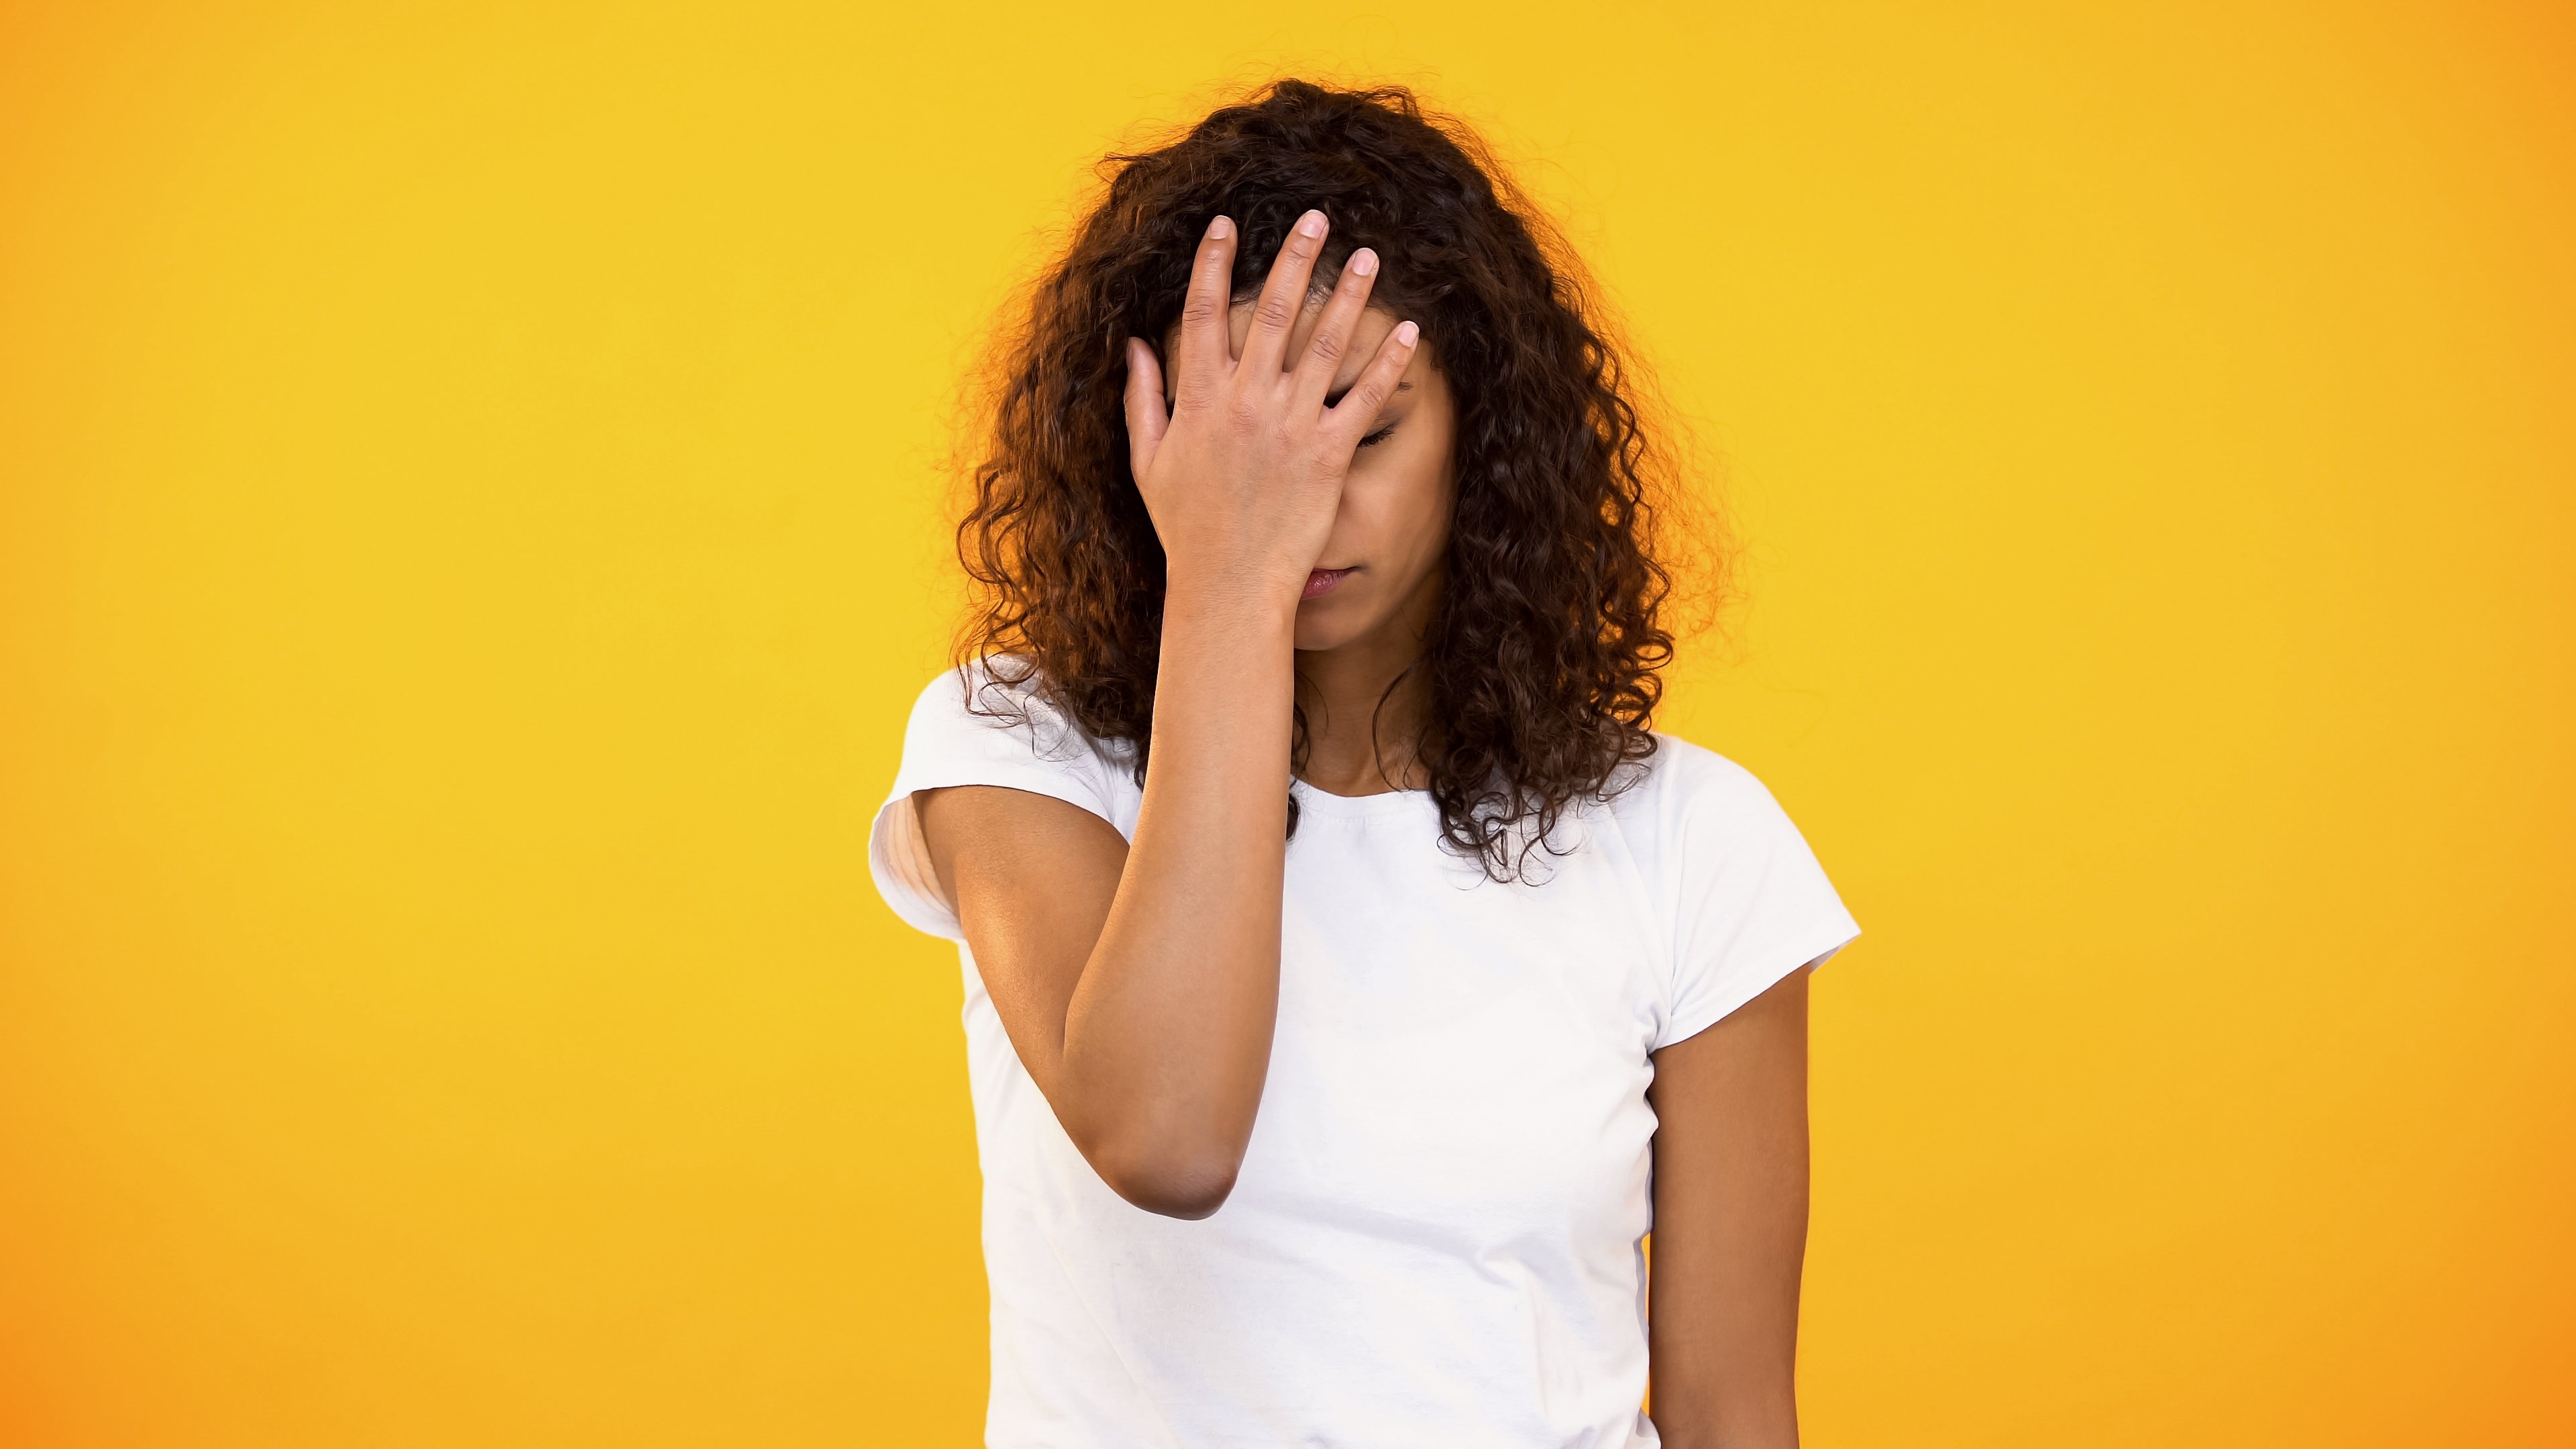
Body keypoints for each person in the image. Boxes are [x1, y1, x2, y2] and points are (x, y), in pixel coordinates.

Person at [868, 78, 1860, 1449]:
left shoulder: (1696, 839)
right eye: (1242, 448)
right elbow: (1167, 1133)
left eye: (1363, 429)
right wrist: (1231, 571)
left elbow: (1732, 1411)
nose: (1301, 495)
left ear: (1484, 439)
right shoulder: (1016, 750)